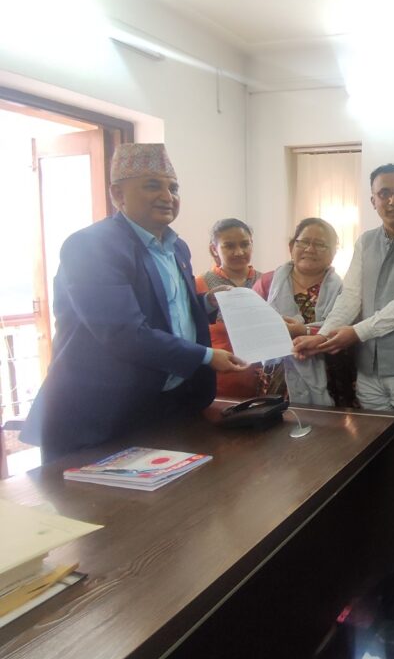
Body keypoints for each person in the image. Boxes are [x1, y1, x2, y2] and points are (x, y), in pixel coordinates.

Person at [24, 143, 248, 462]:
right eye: (152, 186)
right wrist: (207, 356)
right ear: (118, 194)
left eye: (173, 188)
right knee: (97, 497)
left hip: (162, 406)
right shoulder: (91, 246)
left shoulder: (177, 247)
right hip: (100, 414)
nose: (167, 196)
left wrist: (209, 302)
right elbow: (123, 332)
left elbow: (168, 312)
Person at [292, 164, 394, 543]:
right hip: (369, 371)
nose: (393, 200)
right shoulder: (365, 241)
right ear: (373, 200)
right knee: (377, 453)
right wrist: (322, 336)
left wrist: (354, 333)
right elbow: (351, 297)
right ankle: (385, 531)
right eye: (384, 193)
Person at [253, 218, 353, 406]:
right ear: (292, 246)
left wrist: (305, 331)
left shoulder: (345, 290)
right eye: (304, 242)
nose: (310, 249)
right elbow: (252, 326)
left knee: (323, 425)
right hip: (275, 378)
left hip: (328, 377)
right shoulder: (267, 283)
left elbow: (346, 332)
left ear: (333, 253)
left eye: (320, 244)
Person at [195, 218, 262, 397]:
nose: (239, 252)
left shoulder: (267, 282)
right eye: (229, 246)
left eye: (245, 244)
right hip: (218, 382)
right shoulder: (200, 285)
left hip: (263, 382)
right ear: (214, 249)